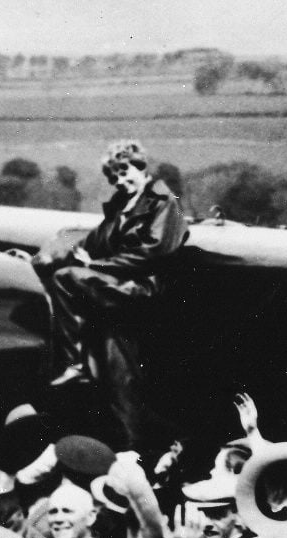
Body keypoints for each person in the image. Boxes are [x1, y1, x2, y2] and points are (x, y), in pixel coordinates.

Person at [32, 139, 188, 447]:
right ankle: (130, 448)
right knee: (119, 380)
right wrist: (43, 260)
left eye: (124, 171)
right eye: (113, 176)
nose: (119, 180)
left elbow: (152, 253)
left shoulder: (163, 202)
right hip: (115, 292)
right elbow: (88, 246)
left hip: (142, 290)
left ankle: (73, 365)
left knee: (66, 279)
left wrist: (99, 265)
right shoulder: (120, 206)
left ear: (141, 167)